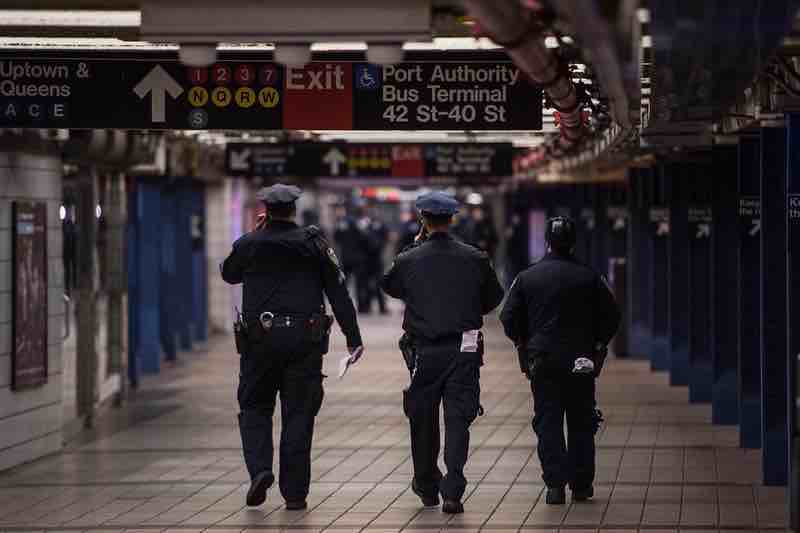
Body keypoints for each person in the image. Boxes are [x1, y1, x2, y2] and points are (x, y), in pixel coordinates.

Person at [220, 184, 364, 510]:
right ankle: (295, 494)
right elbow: (338, 292)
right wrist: (353, 338)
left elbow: (229, 275)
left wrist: (254, 236)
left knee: (255, 407)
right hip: (304, 342)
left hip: (259, 343)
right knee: (298, 414)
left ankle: (260, 470)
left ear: (266, 211)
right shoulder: (314, 245)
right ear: (294, 210)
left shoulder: (249, 243)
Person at [381, 191, 505, 514]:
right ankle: (453, 489)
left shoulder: (410, 259)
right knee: (457, 419)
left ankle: (426, 485)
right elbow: (493, 298)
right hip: (464, 350)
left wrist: (414, 247)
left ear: (423, 220)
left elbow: (390, 286)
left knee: (422, 418)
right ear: (452, 220)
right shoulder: (475, 258)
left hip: (425, 352)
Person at [499, 216, 620, 505]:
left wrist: (523, 342)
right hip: (581, 360)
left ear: (547, 242)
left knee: (548, 421)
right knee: (582, 421)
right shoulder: (590, 277)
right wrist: (598, 344)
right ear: (573, 242)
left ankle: (554, 485)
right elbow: (612, 315)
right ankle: (581, 485)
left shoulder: (527, 277)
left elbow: (508, 317)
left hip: (543, 360)